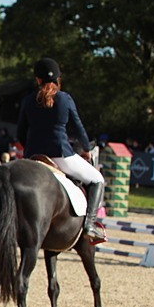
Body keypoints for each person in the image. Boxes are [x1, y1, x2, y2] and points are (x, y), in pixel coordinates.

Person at [17, 58, 105, 243]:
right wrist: (86, 150)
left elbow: (20, 133)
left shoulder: (27, 100)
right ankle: (89, 225)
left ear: (37, 79)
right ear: (58, 79)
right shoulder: (65, 99)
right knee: (97, 179)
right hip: (61, 154)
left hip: (33, 156)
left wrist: (31, 151)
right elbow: (78, 127)